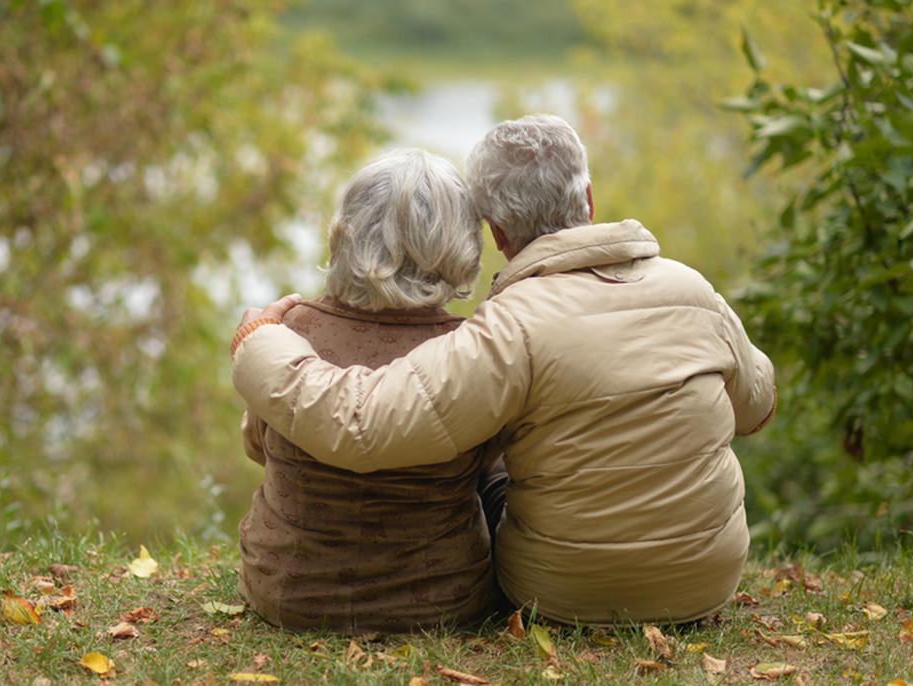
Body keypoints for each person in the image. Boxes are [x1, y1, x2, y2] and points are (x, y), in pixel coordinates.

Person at [231, 115, 777, 625]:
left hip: (563, 592)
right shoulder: (692, 289)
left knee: (492, 439)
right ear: (589, 198)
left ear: (495, 233)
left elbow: (359, 425)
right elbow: (756, 408)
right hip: (707, 582)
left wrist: (259, 342)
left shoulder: (508, 326)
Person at [235, 148, 502, 633]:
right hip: (441, 601)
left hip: (287, 592)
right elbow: (488, 465)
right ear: (460, 244)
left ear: (346, 232)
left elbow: (258, 447)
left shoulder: (287, 333)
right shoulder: (471, 349)